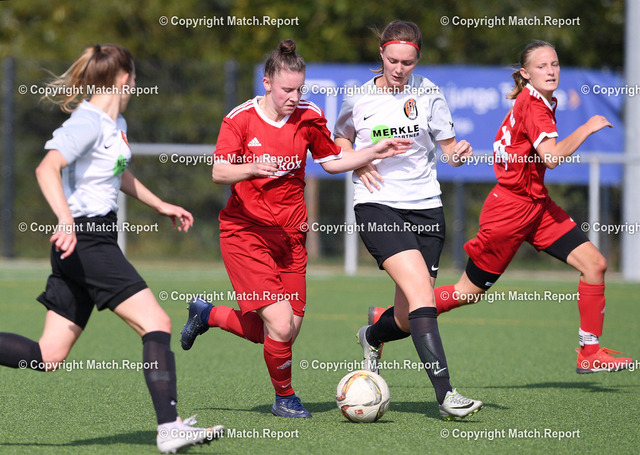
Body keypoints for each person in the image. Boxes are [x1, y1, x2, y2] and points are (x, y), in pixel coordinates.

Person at [0, 44, 224, 453]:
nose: (135, 84)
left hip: (83, 245)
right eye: (134, 77)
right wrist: (65, 220)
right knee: (157, 322)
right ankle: (169, 427)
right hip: (86, 242)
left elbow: (116, 173)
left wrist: (159, 204)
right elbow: (47, 168)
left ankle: (170, 426)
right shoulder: (87, 122)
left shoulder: (114, 122)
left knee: (47, 355)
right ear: (123, 78)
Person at [369, 40, 633, 374]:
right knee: (467, 292)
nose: (551, 71)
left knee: (595, 264)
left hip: (536, 205)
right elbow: (551, 157)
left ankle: (589, 352)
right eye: (541, 66)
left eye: (554, 64)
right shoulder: (533, 105)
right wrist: (587, 126)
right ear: (526, 73)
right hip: (509, 211)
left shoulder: (539, 100)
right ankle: (388, 318)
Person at [179, 39, 411, 418]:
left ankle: (208, 315)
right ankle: (284, 398)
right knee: (281, 326)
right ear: (267, 82)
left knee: (280, 332)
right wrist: (251, 168)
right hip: (245, 235)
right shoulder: (240, 119)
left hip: (291, 239)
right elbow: (219, 171)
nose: (294, 97)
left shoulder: (308, 115)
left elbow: (331, 161)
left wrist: (372, 152)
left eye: (300, 88)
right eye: (287, 89)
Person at [333, 20, 483, 420]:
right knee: (421, 294)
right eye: (393, 60)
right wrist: (358, 160)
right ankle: (446, 396)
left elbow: (449, 150)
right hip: (378, 205)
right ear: (381, 54)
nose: (399, 69)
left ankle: (371, 334)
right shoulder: (359, 97)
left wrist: (459, 154)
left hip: (427, 208)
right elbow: (340, 138)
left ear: (418, 59)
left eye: (408, 62)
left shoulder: (430, 93)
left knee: (405, 316)